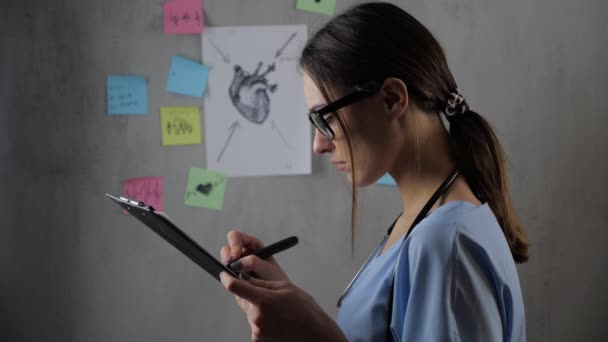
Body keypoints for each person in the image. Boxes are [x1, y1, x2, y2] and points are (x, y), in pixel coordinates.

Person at [218, 2, 528, 341]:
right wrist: (284, 299)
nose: (319, 145)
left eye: (326, 119)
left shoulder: (443, 244)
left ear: (392, 99)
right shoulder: (424, 225)